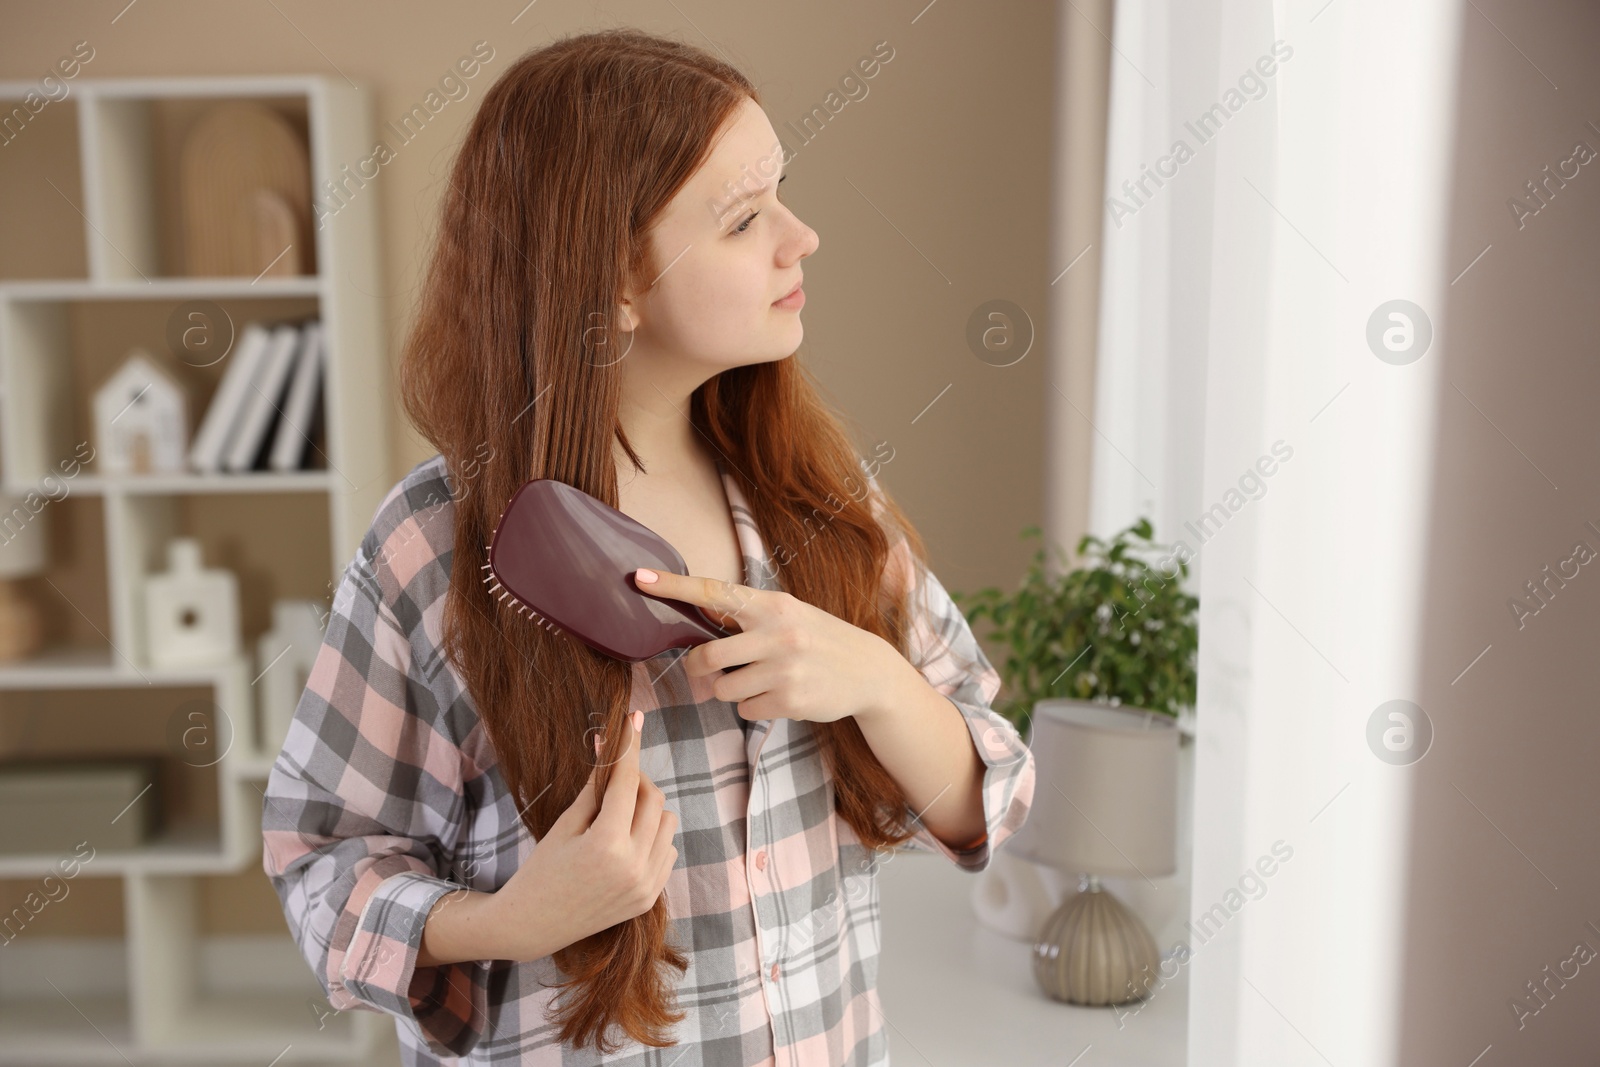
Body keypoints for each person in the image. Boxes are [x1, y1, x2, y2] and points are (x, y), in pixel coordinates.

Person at [261, 27, 1036, 1067]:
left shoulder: (823, 500)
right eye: (743, 218)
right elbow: (320, 862)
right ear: (614, 278)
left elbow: (991, 798)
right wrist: (513, 919)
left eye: (783, 195)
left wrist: (879, 679)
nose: (800, 237)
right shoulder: (430, 546)